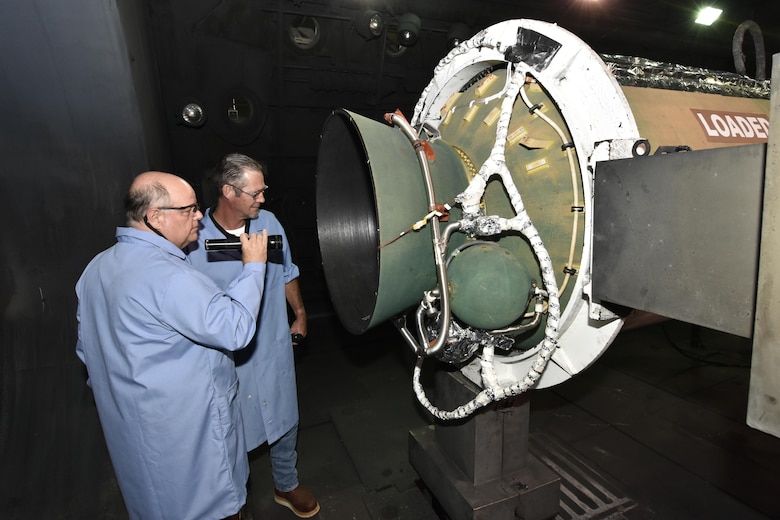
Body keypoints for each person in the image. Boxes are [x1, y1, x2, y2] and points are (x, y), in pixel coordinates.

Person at [76, 171, 270, 520]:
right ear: (155, 217)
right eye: (190, 209)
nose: (199, 216)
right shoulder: (169, 276)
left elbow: (87, 354)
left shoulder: (96, 269)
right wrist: (254, 267)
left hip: (137, 446)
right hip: (191, 453)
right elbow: (235, 328)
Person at [187, 153, 319, 518]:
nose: (263, 199)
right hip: (228, 357)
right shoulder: (194, 243)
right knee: (229, 430)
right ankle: (233, 500)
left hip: (273, 343)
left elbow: (287, 271)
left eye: (264, 191)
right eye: (255, 192)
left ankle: (286, 483)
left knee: (284, 416)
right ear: (228, 191)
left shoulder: (270, 223)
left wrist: (301, 313)